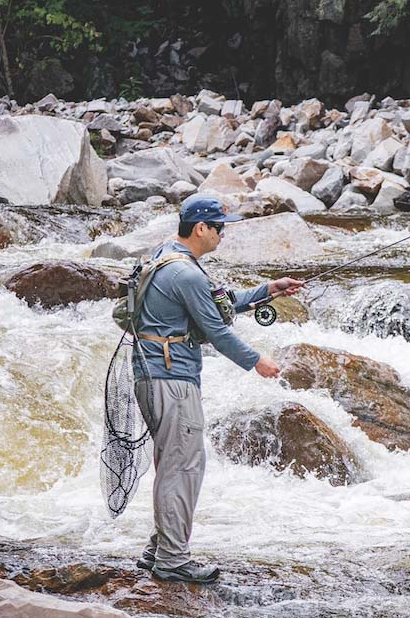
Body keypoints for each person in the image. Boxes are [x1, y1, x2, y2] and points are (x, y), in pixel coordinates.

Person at [132, 194, 304, 584]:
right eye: (219, 227)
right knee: (184, 466)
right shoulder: (187, 274)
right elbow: (216, 329)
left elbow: (219, 305)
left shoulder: (165, 257)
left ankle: (158, 549)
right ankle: (173, 560)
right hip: (172, 381)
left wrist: (269, 289)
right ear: (200, 229)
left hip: (152, 376)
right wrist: (257, 361)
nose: (223, 234)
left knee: (171, 464)